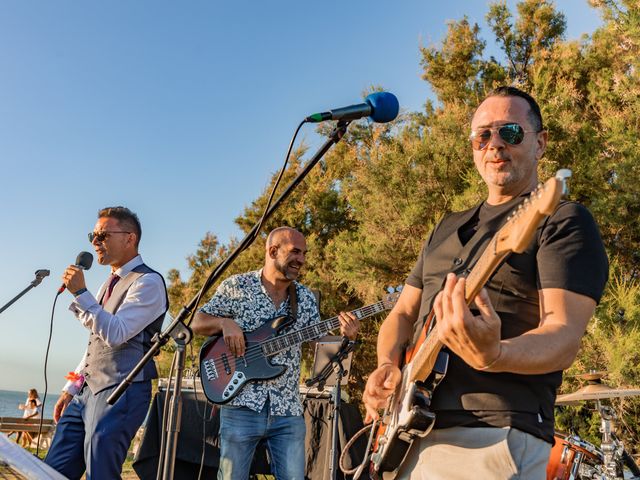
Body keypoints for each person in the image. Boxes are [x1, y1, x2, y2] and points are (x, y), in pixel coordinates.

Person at [362, 86, 609, 479]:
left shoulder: (562, 219)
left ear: (540, 143)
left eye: (509, 133)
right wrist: (387, 365)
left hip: (491, 434)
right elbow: (403, 313)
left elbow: (563, 336)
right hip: (406, 435)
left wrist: (495, 354)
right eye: (482, 136)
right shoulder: (444, 228)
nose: (494, 145)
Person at [191, 226, 360, 480]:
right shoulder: (237, 286)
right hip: (240, 406)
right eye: (295, 252)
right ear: (272, 251)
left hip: (288, 410)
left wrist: (347, 337)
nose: (301, 259)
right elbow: (196, 322)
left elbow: (319, 343)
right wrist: (224, 323)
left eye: (303, 253)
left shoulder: (303, 297)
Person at [45, 206, 168, 480]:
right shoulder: (107, 284)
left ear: (130, 238)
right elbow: (96, 343)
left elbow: (117, 333)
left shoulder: (148, 282)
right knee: (53, 470)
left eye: (102, 235)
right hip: (86, 392)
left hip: (121, 390)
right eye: (93, 235)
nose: (94, 242)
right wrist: (71, 388)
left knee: (100, 473)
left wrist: (80, 293)